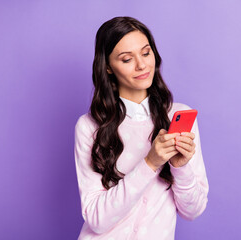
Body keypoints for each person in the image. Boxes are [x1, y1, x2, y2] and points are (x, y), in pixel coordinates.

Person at [74, 16, 209, 240]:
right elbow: (96, 220)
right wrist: (150, 162)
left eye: (146, 53)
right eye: (127, 59)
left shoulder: (178, 117)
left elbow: (193, 211)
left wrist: (180, 167)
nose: (142, 65)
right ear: (108, 67)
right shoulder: (90, 126)